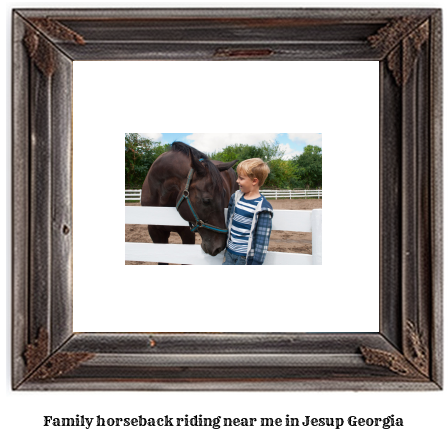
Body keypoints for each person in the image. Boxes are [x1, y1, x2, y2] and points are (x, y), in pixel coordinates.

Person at [222, 158, 274, 265]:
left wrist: (256, 263)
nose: (237, 181)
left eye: (241, 178)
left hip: (244, 258)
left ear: (254, 181)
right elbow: (229, 223)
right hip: (229, 253)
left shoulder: (263, 207)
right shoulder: (235, 198)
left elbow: (262, 240)